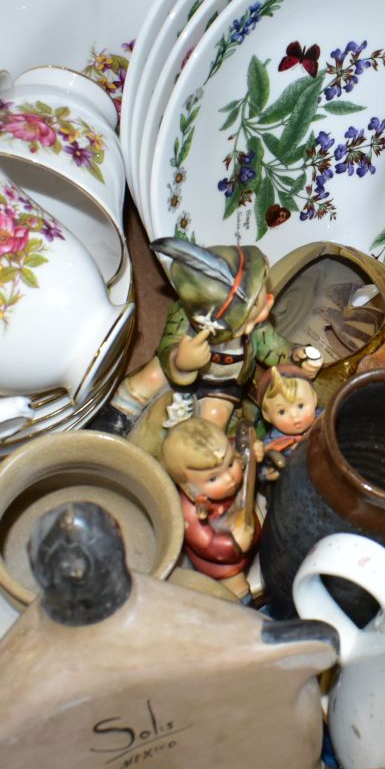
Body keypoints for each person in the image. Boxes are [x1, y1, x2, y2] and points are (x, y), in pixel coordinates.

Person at [113, 239, 321, 430]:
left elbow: (274, 347)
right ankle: (116, 416)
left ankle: (188, 457)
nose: (270, 301)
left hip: (223, 384)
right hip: (172, 366)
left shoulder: (257, 329)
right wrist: (181, 362)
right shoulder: (183, 314)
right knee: (149, 379)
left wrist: (297, 356)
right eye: (260, 305)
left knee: (214, 419)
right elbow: (169, 344)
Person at [161, 416, 259, 594]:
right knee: (237, 589)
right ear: (187, 486)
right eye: (213, 478)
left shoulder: (221, 453)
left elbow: (240, 448)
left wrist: (255, 454)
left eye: (230, 464)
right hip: (224, 563)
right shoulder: (190, 512)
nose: (230, 479)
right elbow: (207, 543)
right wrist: (233, 544)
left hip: (252, 526)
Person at [255, 370, 319, 481]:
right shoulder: (271, 444)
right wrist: (266, 473)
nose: (295, 416)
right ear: (267, 416)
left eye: (300, 405)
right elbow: (259, 471)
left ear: (314, 398)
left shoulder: (325, 417)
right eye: (282, 412)